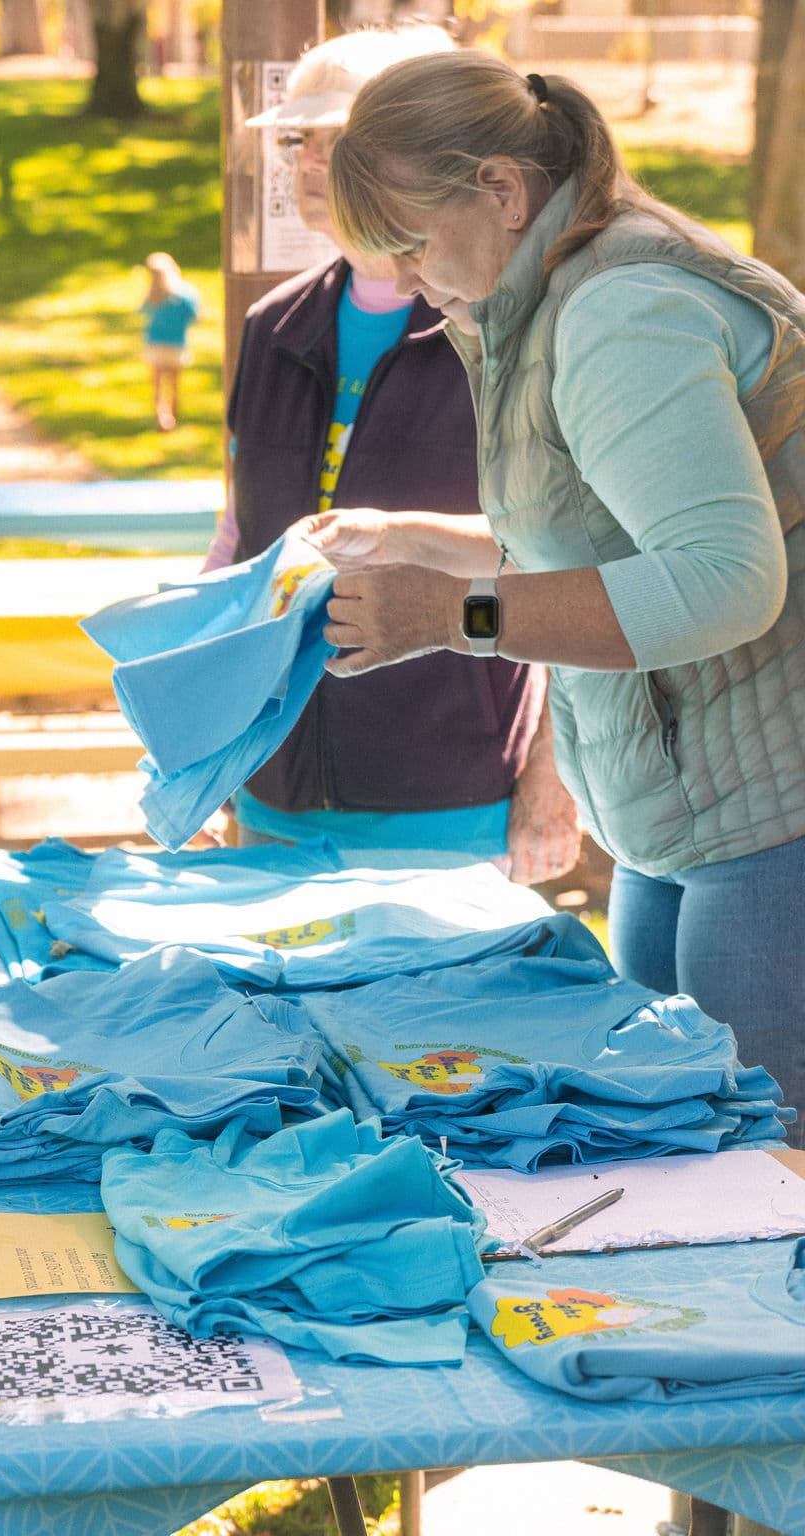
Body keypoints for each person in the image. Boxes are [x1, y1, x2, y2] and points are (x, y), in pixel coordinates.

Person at [316, 52, 805, 1536]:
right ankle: (706, 1508)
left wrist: (449, 619)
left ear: (503, 191)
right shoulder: (558, 289)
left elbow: (724, 579)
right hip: (684, 802)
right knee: (690, 1187)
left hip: (770, 805)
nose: (402, 282)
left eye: (410, 243)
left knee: (759, 1209)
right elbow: (602, 520)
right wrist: (439, 542)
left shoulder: (624, 309)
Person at [203, 26, 580, 882]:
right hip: (276, 790)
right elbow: (239, 536)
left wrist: (553, 775)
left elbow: (578, 561)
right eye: (298, 138)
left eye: (341, 139)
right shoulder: (274, 327)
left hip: (453, 796)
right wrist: (208, 722)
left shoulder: (513, 331)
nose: (308, 163)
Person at [140, 252, 200, 432]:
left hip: (156, 344)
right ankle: (174, 415)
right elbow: (194, 314)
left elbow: (143, 311)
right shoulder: (184, 293)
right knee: (174, 383)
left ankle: (162, 417)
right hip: (176, 344)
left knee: (158, 384)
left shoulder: (153, 294)